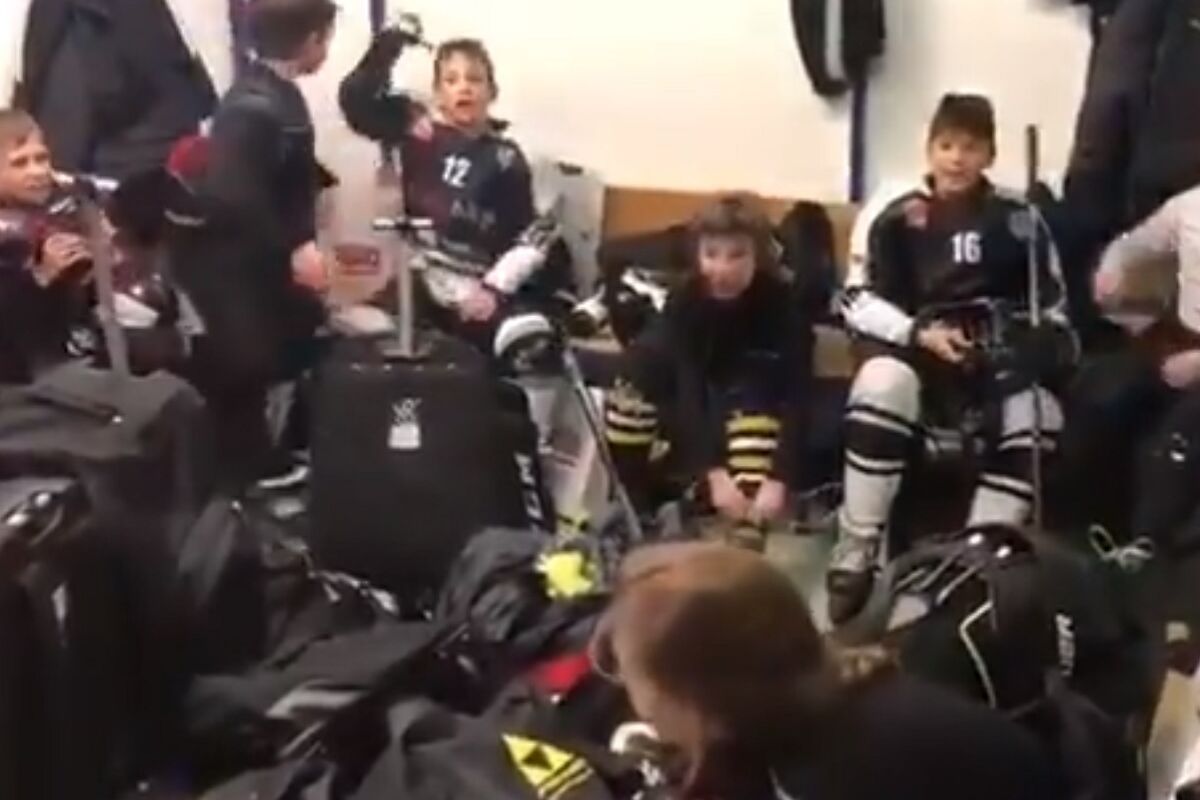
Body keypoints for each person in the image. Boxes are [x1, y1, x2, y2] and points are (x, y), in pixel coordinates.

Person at [828, 94, 1077, 623]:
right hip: (915, 356)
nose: (957, 159)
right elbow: (855, 302)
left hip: (992, 366)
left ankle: (970, 564)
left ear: (990, 154)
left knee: (1039, 413)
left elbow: (1055, 313)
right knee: (880, 381)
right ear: (929, 149)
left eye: (971, 147)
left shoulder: (1020, 218)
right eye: (946, 146)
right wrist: (918, 332)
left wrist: (1031, 346)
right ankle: (857, 546)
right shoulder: (893, 213)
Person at [590, 542, 1061, 800]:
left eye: (641, 685)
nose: (640, 705)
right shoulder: (838, 694)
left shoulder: (836, 774)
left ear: (704, 701)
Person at [165, 0, 336, 487]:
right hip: (228, 263)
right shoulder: (253, 107)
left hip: (251, 255)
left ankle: (271, 451)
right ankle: (246, 471)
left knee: (296, 334)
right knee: (247, 362)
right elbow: (236, 195)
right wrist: (295, 247)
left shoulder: (273, 95)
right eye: (326, 37)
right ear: (313, 40)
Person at [339, 25, 560, 368]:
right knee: (356, 329)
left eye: (475, 79)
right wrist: (390, 43)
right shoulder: (421, 134)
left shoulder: (509, 156)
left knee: (519, 342)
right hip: (424, 278)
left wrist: (494, 289)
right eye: (451, 80)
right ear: (438, 94)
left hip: (481, 282)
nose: (464, 88)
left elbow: (535, 235)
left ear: (492, 91)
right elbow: (357, 101)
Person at [602, 195, 814, 545]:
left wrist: (780, 478)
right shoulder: (685, 304)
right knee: (631, 387)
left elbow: (797, 397)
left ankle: (743, 540)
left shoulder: (785, 309)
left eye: (737, 255)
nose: (722, 268)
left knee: (753, 430)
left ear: (758, 257)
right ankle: (635, 510)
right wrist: (713, 472)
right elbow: (689, 389)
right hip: (695, 408)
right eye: (711, 254)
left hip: (755, 408)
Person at [1094, 182, 1200, 549]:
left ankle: (1151, 546)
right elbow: (1134, 245)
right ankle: (1094, 537)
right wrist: (1113, 269)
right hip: (1184, 342)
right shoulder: (1189, 206)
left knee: (1179, 434)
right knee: (1105, 400)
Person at [0, 108, 94, 383]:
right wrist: (41, 278)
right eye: (19, 163)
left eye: (41, 158)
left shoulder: (68, 209)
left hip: (78, 355)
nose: (38, 171)